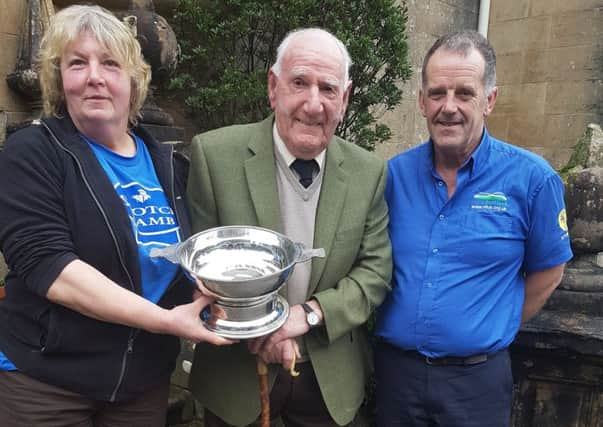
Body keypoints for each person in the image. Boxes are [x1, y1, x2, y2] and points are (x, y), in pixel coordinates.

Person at [0, 5, 231, 427]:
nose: (94, 76)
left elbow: (181, 258)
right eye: (77, 63)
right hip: (48, 384)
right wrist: (165, 322)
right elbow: (52, 269)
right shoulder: (32, 153)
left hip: (140, 385)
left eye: (110, 63)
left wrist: (219, 295)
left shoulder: (169, 165)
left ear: (134, 80)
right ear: (59, 79)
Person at [186, 28, 392, 427]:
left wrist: (308, 315)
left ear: (345, 99)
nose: (313, 104)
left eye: (328, 89)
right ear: (273, 86)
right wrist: (256, 327)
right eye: (299, 83)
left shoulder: (369, 172)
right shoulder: (215, 155)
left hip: (330, 378)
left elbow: (376, 272)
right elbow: (199, 271)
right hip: (238, 379)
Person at [374, 30, 573, 427]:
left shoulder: (533, 181)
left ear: (490, 100)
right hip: (397, 379)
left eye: (464, 93)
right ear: (421, 101)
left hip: (476, 385)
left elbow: (549, 271)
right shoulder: (393, 176)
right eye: (437, 93)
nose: (449, 107)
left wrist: (492, 321)